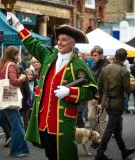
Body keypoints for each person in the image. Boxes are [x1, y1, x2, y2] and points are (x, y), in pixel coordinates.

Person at [7, 12, 97, 160]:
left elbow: (92, 90)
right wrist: (18, 25)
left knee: (65, 156)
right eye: (59, 39)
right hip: (44, 121)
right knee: (50, 155)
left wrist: (70, 91)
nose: (59, 42)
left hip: (63, 123)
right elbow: (32, 43)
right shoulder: (49, 56)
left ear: (73, 43)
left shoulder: (78, 65)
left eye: (64, 40)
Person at [95, 48, 135, 160]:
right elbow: (128, 89)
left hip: (106, 101)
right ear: (125, 58)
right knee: (110, 129)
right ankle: (100, 153)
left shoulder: (105, 68)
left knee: (116, 129)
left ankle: (124, 151)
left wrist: (100, 102)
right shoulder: (124, 71)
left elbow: (99, 85)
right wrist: (133, 86)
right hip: (117, 104)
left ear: (115, 57)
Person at [88, 46, 109, 136]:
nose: (93, 57)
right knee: (91, 117)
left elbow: (105, 86)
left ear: (101, 55)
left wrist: (100, 100)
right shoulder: (93, 65)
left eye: (95, 55)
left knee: (101, 120)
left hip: (102, 97)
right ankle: (98, 136)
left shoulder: (106, 66)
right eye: (92, 55)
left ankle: (101, 142)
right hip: (92, 96)